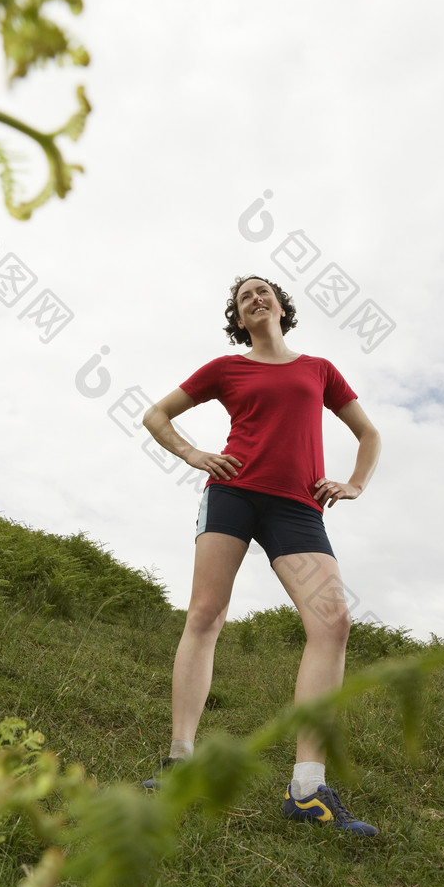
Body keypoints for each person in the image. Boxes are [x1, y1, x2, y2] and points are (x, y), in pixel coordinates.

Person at [141, 274, 382, 836]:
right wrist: (193, 453)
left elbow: (369, 433)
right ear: (239, 317)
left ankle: (307, 788)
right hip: (233, 494)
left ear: (280, 306)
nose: (256, 297)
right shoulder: (226, 368)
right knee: (205, 615)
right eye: (245, 296)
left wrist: (354, 483)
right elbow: (157, 415)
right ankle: (180, 760)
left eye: (264, 291)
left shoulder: (318, 370)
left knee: (333, 621)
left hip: (297, 507)